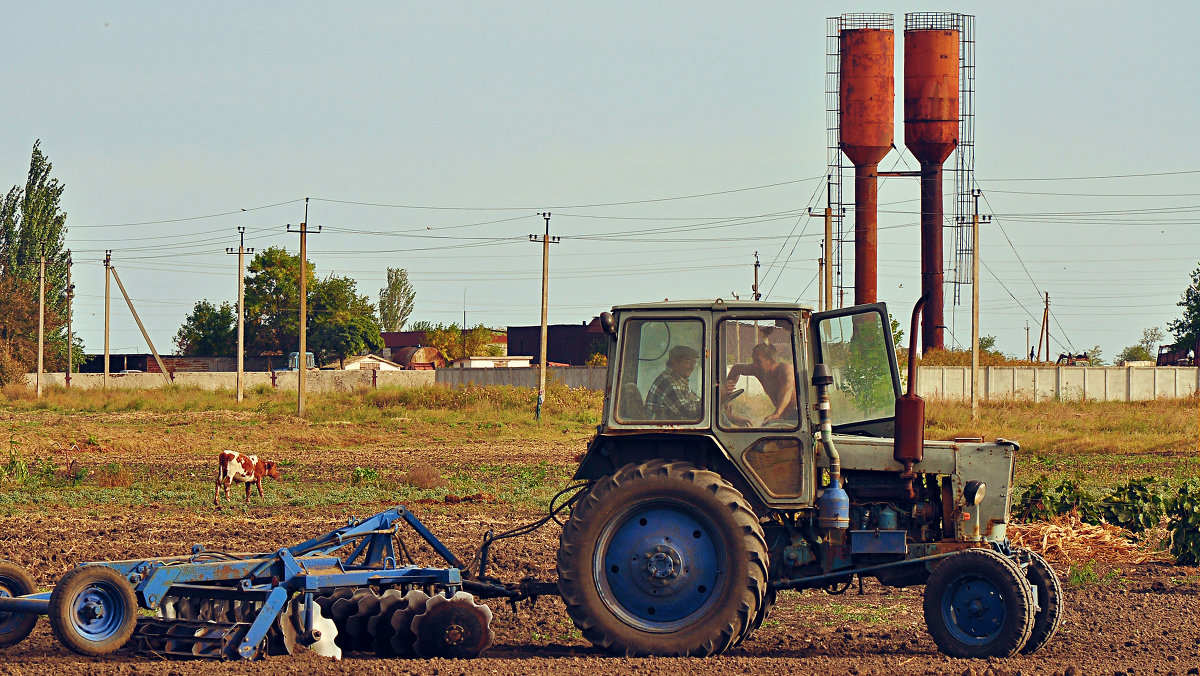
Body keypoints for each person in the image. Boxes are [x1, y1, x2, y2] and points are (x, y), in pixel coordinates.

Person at [722, 342, 797, 425]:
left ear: (772, 362)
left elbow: (788, 387)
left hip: (798, 416)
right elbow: (736, 369)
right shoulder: (757, 370)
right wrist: (727, 397)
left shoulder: (786, 369)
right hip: (783, 416)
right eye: (754, 360)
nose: (754, 365)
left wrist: (777, 413)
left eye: (758, 361)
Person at [644, 345, 702, 420]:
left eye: (694, 362)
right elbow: (687, 410)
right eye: (688, 361)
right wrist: (711, 402)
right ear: (674, 361)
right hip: (661, 430)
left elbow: (693, 400)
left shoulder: (680, 380)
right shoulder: (668, 381)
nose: (692, 366)